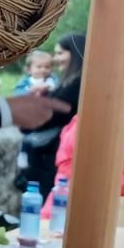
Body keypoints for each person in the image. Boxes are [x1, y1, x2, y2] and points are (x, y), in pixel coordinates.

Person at [43, 79, 124, 218]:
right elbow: (96, 179)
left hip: (107, 216)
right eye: (123, 86)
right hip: (66, 217)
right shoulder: (87, 124)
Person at [25, 33, 86, 195]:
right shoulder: (69, 82)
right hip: (48, 156)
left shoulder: (75, 85)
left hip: (51, 158)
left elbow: (47, 116)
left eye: (60, 53)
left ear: (74, 53)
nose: (55, 58)